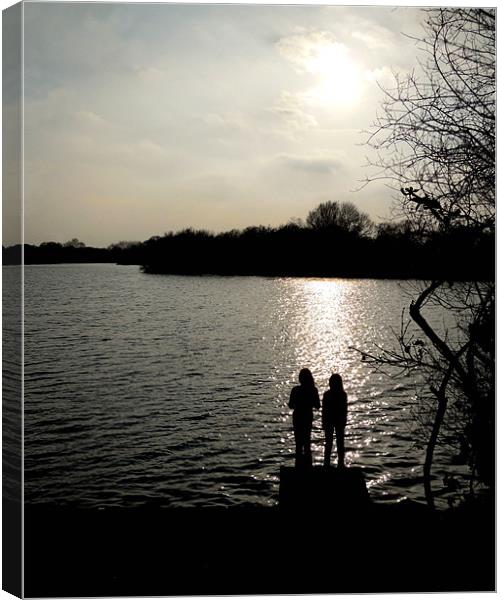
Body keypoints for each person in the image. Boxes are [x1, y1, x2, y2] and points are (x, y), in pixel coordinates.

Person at [289, 368, 320, 467]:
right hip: (307, 417)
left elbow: (291, 405)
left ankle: (298, 468)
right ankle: (308, 467)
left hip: (297, 417)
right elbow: (318, 406)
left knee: (298, 445)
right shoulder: (313, 390)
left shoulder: (295, 390)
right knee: (307, 444)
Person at [322, 373, 348, 468]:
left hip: (329, 420)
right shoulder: (343, 394)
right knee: (340, 443)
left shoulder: (327, 394)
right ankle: (340, 463)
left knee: (328, 443)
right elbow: (344, 409)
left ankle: (326, 463)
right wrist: (344, 420)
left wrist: (323, 422)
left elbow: (324, 410)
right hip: (339, 420)